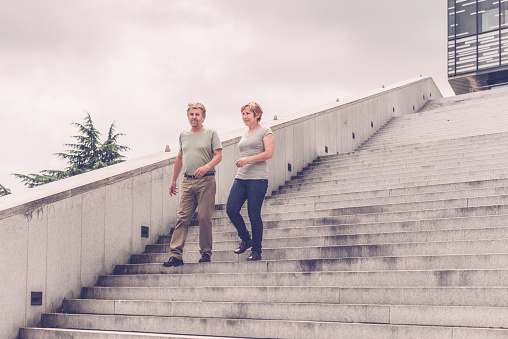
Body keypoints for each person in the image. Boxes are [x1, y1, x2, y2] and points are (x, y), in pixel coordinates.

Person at [163, 102, 222, 267]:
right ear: (188, 116)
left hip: (206, 180)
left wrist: (206, 167)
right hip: (187, 181)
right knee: (182, 217)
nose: (194, 117)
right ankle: (175, 255)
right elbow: (180, 158)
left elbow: (218, 155)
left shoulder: (211, 133)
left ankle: (205, 253)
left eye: (197, 114)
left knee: (204, 218)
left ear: (203, 117)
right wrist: (174, 180)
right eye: (191, 114)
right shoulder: (183, 135)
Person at [226, 102, 274, 261]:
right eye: (243, 114)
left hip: (258, 178)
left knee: (254, 214)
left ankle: (256, 251)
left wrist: (248, 159)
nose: (244, 117)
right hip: (241, 178)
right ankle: (246, 239)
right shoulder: (245, 134)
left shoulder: (266, 131)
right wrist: (244, 161)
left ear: (257, 115)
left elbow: (269, 153)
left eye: (248, 113)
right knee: (231, 209)